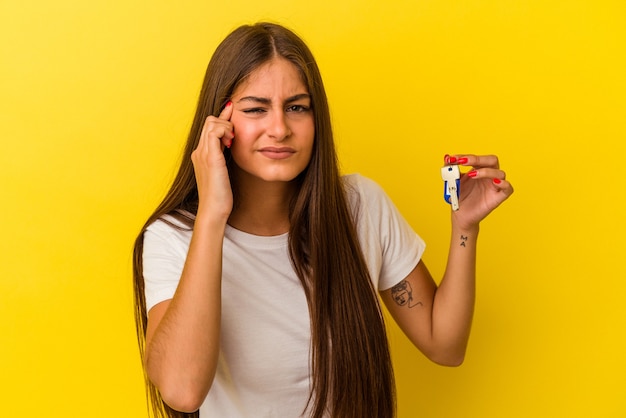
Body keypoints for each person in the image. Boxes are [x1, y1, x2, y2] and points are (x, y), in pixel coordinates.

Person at [132, 22, 513, 418]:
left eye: (296, 107)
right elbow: (182, 390)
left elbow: (445, 344)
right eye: (255, 109)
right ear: (220, 123)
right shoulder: (172, 237)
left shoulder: (361, 207)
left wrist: (465, 228)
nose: (279, 129)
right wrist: (212, 214)